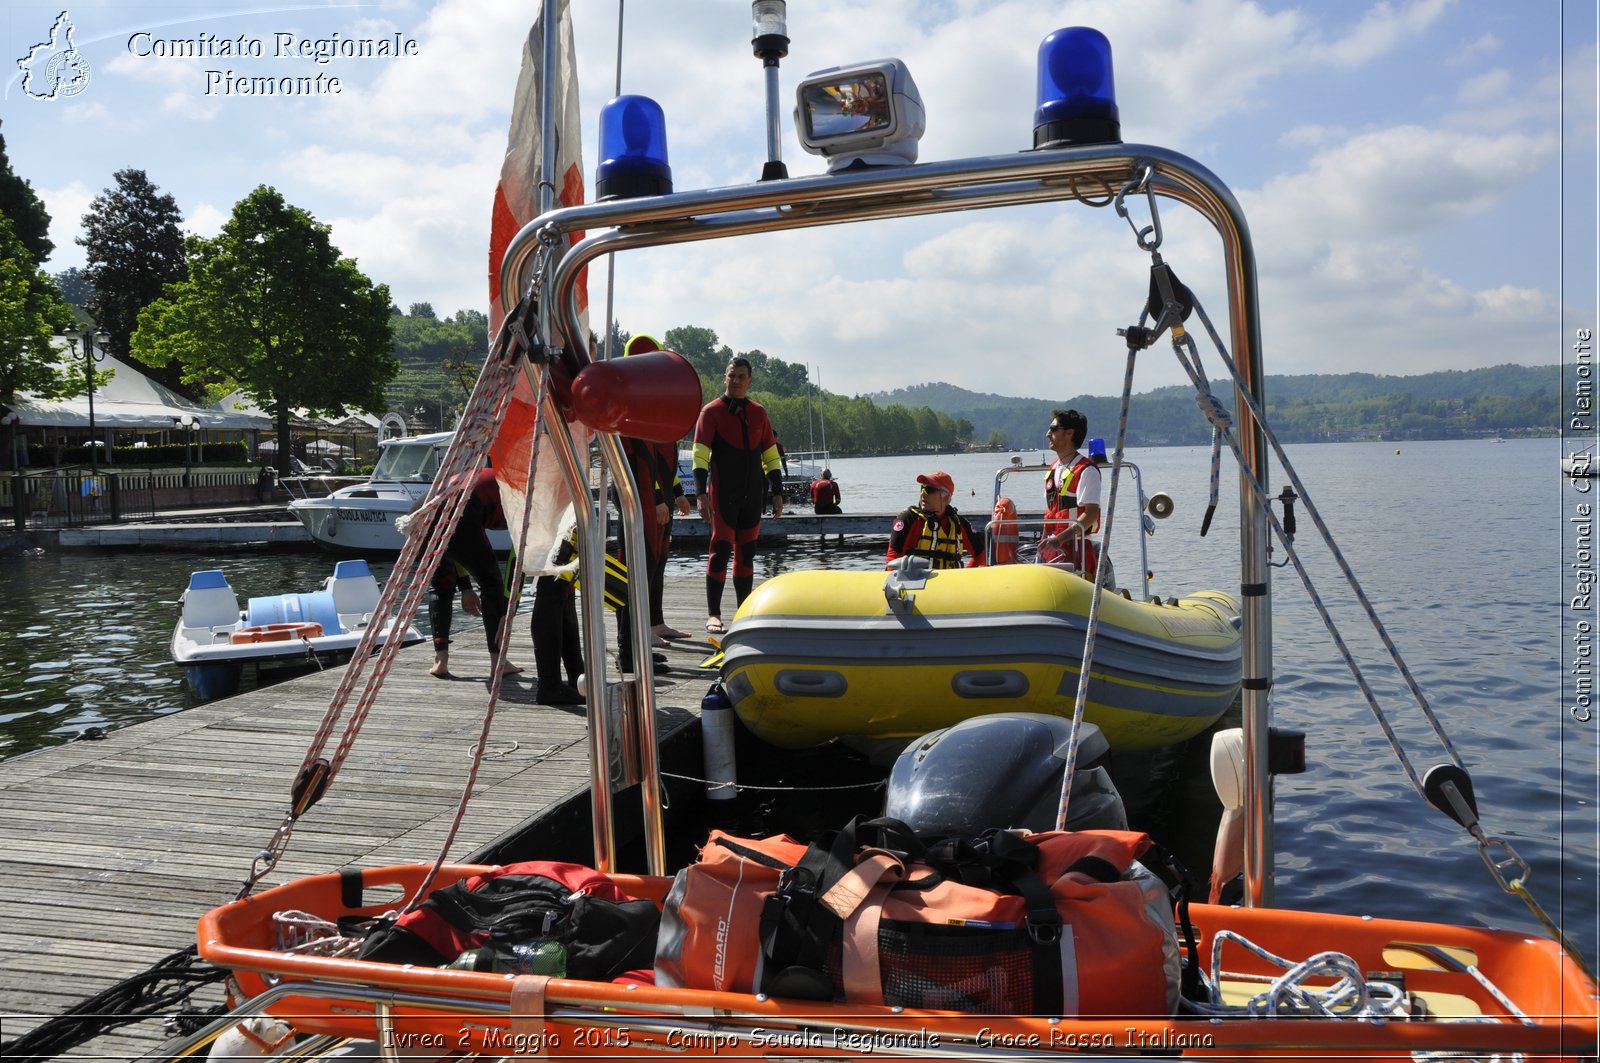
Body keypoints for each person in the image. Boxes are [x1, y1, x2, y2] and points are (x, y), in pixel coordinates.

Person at [693, 356, 784, 635]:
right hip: (723, 494)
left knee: (747, 553)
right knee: (720, 550)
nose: (736, 381)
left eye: (741, 376)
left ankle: (743, 614)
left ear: (750, 381)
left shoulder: (759, 413)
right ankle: (714, 614)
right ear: (725, 378)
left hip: (752, 495)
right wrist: (700, 494)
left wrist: (778, 492)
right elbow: (699, 456)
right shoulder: (711, 412)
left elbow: (770, 455)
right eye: (731, 375)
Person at [620, 334, 693, 643]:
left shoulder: (654, 407)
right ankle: (636, 633)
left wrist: (676, 493)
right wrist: (659, 500)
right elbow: (638, 464)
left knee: (658, 561)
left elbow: (664, 462)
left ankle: (655, 623)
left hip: (658, 497)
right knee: (642, 561)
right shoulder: (630, 407)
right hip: (639, 496)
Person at [428, 467, 520, 679]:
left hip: (425, 508)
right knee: (492, 584)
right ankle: (498, 661)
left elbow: (457, 547)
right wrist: (508, 600)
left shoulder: (500, 479)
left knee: (441, 586)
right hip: (458, 508)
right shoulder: (526, 493)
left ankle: (440, 660)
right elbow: (520, 551)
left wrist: (466, 587)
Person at [1042, 408, 1101, 578]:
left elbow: (1090, 515)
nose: (1047, 434)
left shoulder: (1087, 471)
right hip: (1053, 550)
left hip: (1077, 551)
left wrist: (1058, 540)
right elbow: (1050, 514)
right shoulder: (1053, 469)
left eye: (1053, 429)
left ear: (1069, 433)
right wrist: (1043, 546)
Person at [886, 470, 984, 570]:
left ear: (945, 496)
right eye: (922, 488)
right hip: (917, 582)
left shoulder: (959, 523)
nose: (923, 493)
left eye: (928, 489)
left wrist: (965, 576)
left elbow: (981, 554)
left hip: (950, 583)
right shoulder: (908, 519)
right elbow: (892, 558)